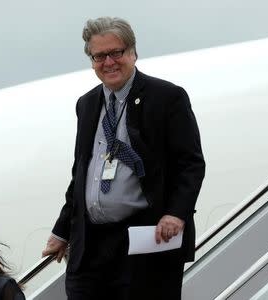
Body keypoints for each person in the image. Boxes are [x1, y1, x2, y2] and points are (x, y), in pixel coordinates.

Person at [42, 16, 205, 300]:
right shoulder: (87, 104)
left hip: (143, 241)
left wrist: (177, 213)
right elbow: (81, 174)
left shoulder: (166, 97)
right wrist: (62, 231)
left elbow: (190, 163)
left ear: (132, 52)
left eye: (116, 52)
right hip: (91, 246)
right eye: (99, 56)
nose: (109, 62)